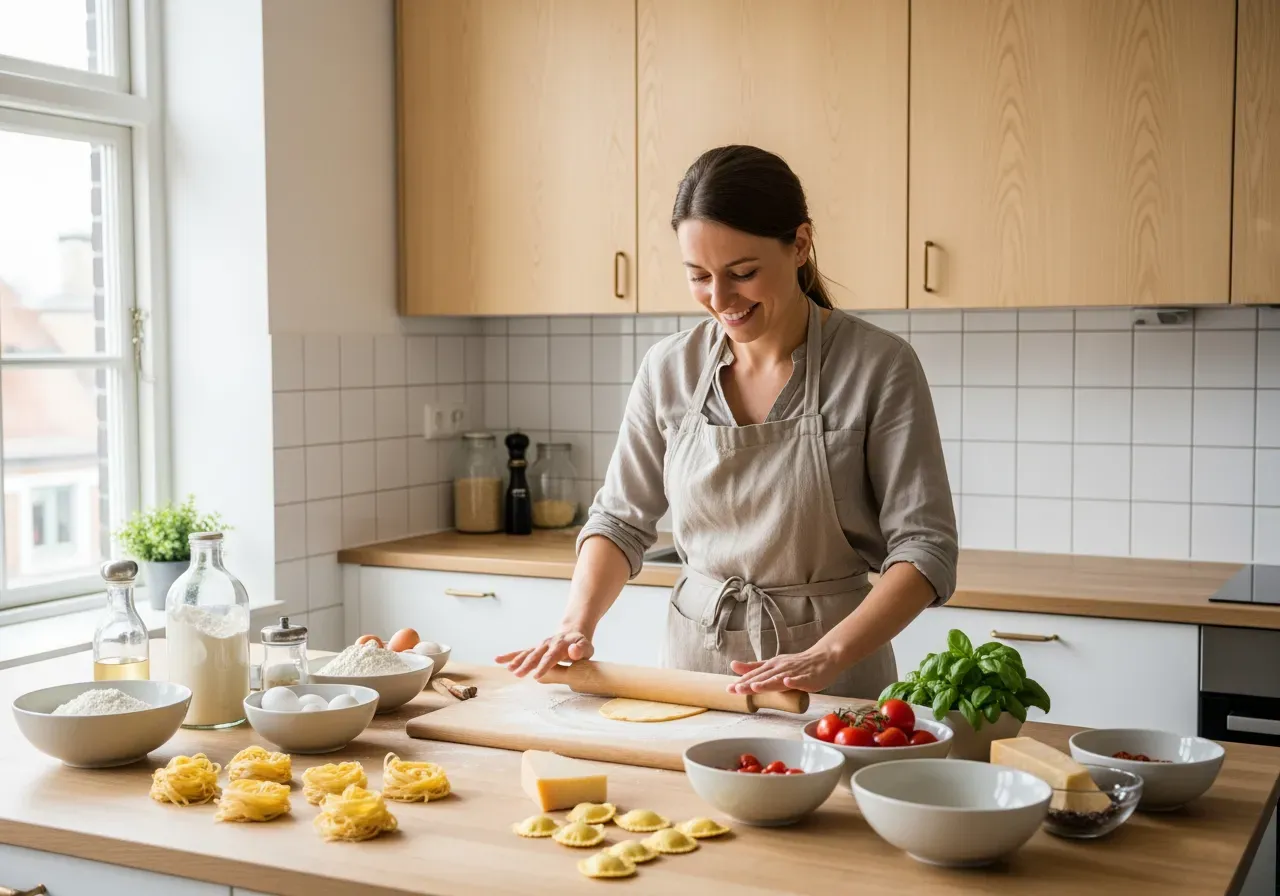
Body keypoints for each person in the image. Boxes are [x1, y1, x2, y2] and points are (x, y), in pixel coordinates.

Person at [496, 145, 958, 699]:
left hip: (833, 681)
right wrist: (576, 622)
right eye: (698, 276)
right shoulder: (668, 369)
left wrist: (826, 654)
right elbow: (619, 521)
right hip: (694, 677)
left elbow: (925, 547)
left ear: (801, 245)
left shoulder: (878, 366)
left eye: (742, 273)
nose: (719, 299)